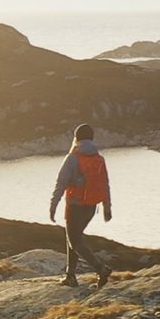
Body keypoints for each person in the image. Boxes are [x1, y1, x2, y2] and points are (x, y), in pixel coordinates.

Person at [48, 123, 113, 288]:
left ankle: (100, 268)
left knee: (75, 241)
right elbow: (105, 184)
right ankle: (70, 275)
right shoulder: (99, 158)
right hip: (91, 207)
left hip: (75, 207)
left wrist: (53, 205)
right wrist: (107, 207)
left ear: (76, 138)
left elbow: (60, 183)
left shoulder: (72, 158)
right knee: (74, 238)